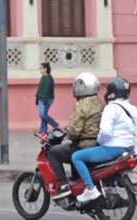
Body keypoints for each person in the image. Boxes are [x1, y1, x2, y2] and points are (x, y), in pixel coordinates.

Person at [72, 77, 137, 203]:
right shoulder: (133, 108)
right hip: (128, 150)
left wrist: (99, 142)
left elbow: (105, 131)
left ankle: (90, 189)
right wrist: (136, 152)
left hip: (112, 149)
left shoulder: (110, 108)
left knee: (76, 157)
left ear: (111, 92)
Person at [47, 72, 105, 200]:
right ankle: (78, 183)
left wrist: (68, 135)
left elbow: (74, 132)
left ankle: (63, 186)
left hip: (84, 146)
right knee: (71, 149)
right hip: (98, 145)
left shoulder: (82, 105)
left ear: (82, 86)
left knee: (53, 152)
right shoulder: (100, 103)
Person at [35, 62, 59, 134]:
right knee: (42, 114)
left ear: (46, 69)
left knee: (43, 114)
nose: (40, 70)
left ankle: (55, 124)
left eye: (41, 68)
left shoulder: (49, 78)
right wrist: (37, 97)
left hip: (46, 99)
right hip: (41, 98)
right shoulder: (43, 77)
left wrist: (44, 99)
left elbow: (47, 89)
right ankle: (43, 129)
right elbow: (39, 89)